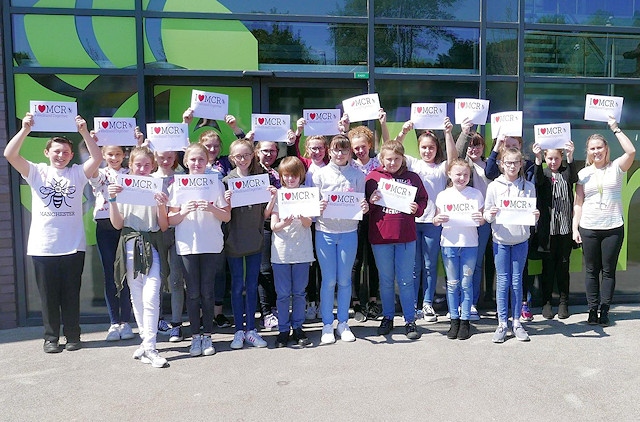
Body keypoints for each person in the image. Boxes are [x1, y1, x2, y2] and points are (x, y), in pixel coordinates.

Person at [4, 112, 101, 353]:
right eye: (56, 151)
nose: (61, 156)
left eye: (66, 152)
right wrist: (25, 129)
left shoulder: (77, 173)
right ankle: (51, 338)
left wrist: (83, 132)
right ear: (47, 153)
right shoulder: (37, 172)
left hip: (72, 245)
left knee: (70, 294)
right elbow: (10, 154)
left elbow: (97, 157)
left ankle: (73, 336)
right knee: (48, 297)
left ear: (70, 155)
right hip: (43, 246)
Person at [109, 146, 170, 368]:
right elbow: (117, 224)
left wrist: (162, 205)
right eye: (138, 165)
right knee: (136, 296)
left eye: (146, 165)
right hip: (129, 245)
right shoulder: (123, 187)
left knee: (151, 296)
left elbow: (163, 226)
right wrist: (113, 200)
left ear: (153, 165)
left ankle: (151, 347)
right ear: (131, 165)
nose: (142, 169)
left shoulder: (157, 186)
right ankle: (146, 342)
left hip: (151, 245)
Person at [168, 143, 230, 357]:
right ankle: (195, 336)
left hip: (211, 244)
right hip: (187, 245)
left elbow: (226, 216)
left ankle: (208, 336)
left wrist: (212, 208)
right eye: (192, 159)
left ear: (207, 162)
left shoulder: (216, 183)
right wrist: (184, 211)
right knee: (193, 293)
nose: (196, 163)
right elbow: (170, 220)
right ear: (185, 161)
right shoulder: (177, 185)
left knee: (208, 292)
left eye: (201, 159)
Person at [573, 117, 635, 326]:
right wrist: (575, 228)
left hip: (613, 227)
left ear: (606, 149)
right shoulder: (582, 173)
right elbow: (578, 203)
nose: (596, 151)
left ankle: (605, 310)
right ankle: (592, 310)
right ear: (588, 151)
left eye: (599, 147)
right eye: (592, 148)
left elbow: (631, 152)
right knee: (591, 271)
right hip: (589, 228)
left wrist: (615, 128)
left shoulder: (616, 167)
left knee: (608, 271)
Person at [394, 118, 457, 322]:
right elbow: (394, 150)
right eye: (424, 147)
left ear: (436, 149)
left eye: (431, 148)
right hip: (413, 221)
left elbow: (454, 160)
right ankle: (412, 303)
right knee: (414, 266)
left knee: (430, 265)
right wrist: (403, 132)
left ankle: (427, 303)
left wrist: (448, 133)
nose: (427, 151)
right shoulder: (413, 164)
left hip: (433, 222)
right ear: (419, 148)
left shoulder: (440, 168)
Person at [366, 140, 428, 339]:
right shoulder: (373, 178)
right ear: (382, 159)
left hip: (405, 236)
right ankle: (388, 317)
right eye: (388, 159)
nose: (392, 163)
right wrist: (371, 201)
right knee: (385, 280)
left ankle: (410, 320)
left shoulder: (412, 178)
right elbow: (366, 208)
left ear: (403, 159)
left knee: (406, 280)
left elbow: (423, 199)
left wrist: (417, 209)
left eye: (396, 159)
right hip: (381, 236)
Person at [313, 135, 368, 345]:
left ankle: (343, 323)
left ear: (350, 153)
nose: (340, 154)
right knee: (328, 280)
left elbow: (361, 203)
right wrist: (316, 208)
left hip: (348, 232)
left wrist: (364, 207)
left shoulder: (357, 175)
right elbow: (311, 202)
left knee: (345, 280)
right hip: (325, 231)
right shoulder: (319, 175)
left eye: (344, 150)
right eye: (336, 150)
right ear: (330, 151)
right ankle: (327, 325)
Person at [223, 139, 276, 349]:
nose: (243, 159)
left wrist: (273, 198)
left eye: (246, 155)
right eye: (238, 156)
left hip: (255, 238)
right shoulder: (227, 180)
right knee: (238, 286)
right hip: (234, 240)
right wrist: (226, 200)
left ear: (253, 156)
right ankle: (238, 330)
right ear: (232, 158)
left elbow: (264, 214)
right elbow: (224, 216)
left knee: (252, 284)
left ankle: (251, 330)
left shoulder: (259, 180)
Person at [484, 148, 539, 343]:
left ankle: (516, 322)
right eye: (508, 162)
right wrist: (491, 213)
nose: (512, 166)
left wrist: (535, 216)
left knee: (517, 282)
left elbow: (531, 213)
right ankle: (501, 323)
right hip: (500, 240)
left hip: (520, 240)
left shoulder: (528, 187)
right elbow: (486, 216)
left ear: (521, 164)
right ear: (501, 164)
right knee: (503, 281)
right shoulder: (494, 186)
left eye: (516, 162)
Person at [433, 158, 485, 340]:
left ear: (470, 176)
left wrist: (481, 218)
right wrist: (437, 220)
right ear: (449, 174)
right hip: (449, 243)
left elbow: (482, 219)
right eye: (458, 174)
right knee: (453, 284)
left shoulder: (476, 194)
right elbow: (436, 218)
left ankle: (465, 321)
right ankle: (453, 319)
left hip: (470, 243)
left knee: (466, 283)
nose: (461, 178)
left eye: (465, 174)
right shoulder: (443, 195)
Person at [89, 144, 135, 342]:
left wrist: (140, 142)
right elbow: (91, 173)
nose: (114, 158)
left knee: (126, 272)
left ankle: (126, 321)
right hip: (104, 223)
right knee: (110, 273)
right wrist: (93, 143)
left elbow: (143, 170)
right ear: (104, 155)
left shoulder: (130, 172)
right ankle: (113, 322)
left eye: (118, 154)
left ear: (124, 155)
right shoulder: (100, 173)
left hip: (126, 223)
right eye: (110, 154)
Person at [287, 120, 329, 320]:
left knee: (322, 264)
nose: (316, 152)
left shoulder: (330, 165)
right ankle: (310, 302)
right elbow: (292, 154)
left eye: (320, 148)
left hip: (326, 219)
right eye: (313, 148)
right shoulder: (305, 164)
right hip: (306, 219)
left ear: (325, 149)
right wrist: (298, 132)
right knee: (310, 263)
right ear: (307, 149)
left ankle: (322, 302)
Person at [271, 156, 315, 348]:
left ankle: (298, 327)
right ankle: (283, 330)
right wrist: (284, 222)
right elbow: (273, 226)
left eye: (294, 176)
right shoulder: (279, 195)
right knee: (282, 294)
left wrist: (303, 216)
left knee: (299, 292)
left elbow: (308, 223)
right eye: (286, 176)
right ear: (281, 177)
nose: (290, 179)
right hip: (281, 251)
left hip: (302, 250)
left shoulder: (307, 193)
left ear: (300, 176)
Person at [532, 141, 577, 320]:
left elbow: (574, 177)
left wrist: (571, 155)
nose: (553, 162)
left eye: (556, 158)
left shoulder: (566, 172)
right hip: (548, 231)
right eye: (549, 158)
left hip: (565, 229)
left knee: (563, 266)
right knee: (548, 268)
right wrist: (537, 160)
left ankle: (564, 302)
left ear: (561, 158)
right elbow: (537, 180)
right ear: (545, 158)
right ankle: (547, 302)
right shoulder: (543, 173)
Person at [455, 118, 493, 318]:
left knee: (476, 263)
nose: (473, 149)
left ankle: (472, 301)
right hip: (463, 218)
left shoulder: (489, 165)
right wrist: (465, 132)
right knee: (460, 261)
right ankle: (459, 299)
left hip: (483, 221)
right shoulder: (464, 165)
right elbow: (457, 153)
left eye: (477, 145)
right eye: (470, 145)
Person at [348, 123, 382, 322]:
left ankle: (373, 301)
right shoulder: (349, 165)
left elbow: (391, 144)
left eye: (363, 146)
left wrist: (384, 124)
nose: (360, 150)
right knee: (356, 261)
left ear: (369, 145)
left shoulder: (378, 163)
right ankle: (356, 303)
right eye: (356, 148)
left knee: (374, 261)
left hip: (376, 218)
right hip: (354, 220)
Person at [151, 150, 185, 342]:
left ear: (175, 159)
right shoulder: (149, 178)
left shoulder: (182, 178)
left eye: (170, 157)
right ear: (155, 157)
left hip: (178, 231)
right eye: (161, 157)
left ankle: (177, 324)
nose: (165, 161)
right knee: (158, 279)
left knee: (176, 279)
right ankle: (157, 320)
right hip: (156, 232)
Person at [255, 140, 282, 331]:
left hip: (279, 225)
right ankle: (266, 313)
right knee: (264, 269)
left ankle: (274, 307)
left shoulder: (277, 172)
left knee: (275, 268)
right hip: (260, 226)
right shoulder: (254, 172)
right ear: (257, 152)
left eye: (273, 151)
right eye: (265, 151)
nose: (269, 154)